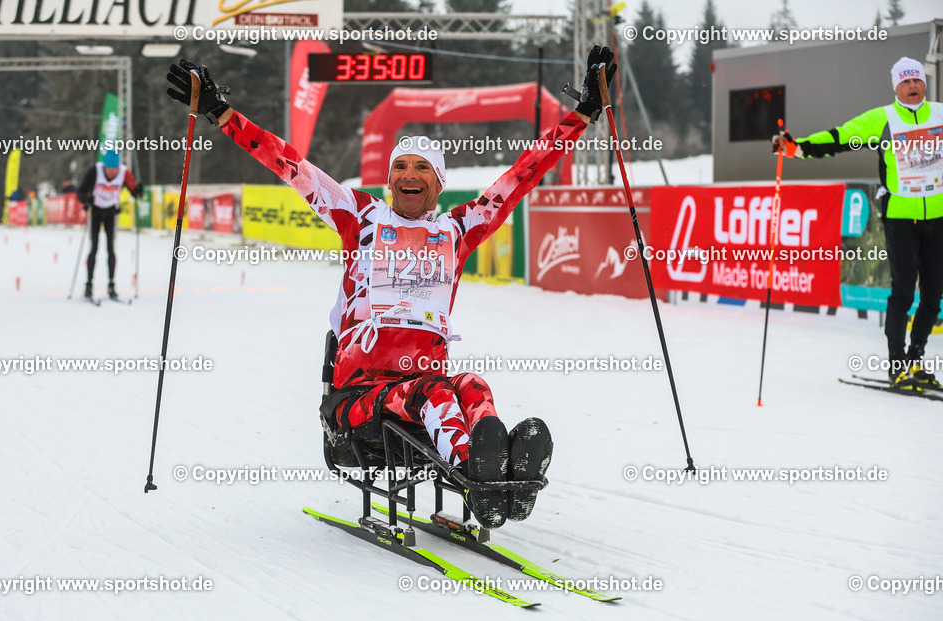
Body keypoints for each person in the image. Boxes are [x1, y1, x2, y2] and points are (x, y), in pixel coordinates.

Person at [167, 48, 616, 529]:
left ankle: (505, 476)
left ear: (438, 184)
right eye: (400, 166)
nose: (408, 175)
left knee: (473, 387)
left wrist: (585, 113)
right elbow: (289, 165)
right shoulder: (359, 216)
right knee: (435, 395)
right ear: (388, 181)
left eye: (422, 168)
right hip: (359, 397)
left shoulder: (457, 232)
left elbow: (523, 174)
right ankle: (479, 479)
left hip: (426, 382)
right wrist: (221, 113)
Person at [774, 57, 943, 391]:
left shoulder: (940, 114)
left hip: (937, 218)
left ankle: (914, 362)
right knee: (903, 292)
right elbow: (840, 137)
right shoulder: (883, 118)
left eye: (917, 81)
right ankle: (897, 368)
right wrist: (798, 148)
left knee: (934, 296)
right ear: (896, 86)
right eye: (906, 82)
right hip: (900, 218)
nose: (913, 86)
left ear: (924, 84)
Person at [76, 150, 143, 300]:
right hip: (95, 212)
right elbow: (80, 193)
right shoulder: (95, 171)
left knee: (111, 248)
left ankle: (111, 285)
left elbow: (134, 190)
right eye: (109, 169)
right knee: (94, 247)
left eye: (114, 170)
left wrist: (139, 190)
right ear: (104, 166)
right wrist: (87, 201)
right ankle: (89, 284)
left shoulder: (124, 172)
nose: (112, 173)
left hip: (111, 213)